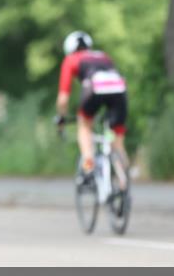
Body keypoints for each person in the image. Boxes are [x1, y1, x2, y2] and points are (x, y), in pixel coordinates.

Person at [55, 31, 129, 189]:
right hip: (119, 89)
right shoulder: (103, 55)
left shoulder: (71, 59)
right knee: (117, 141)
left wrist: (61, 118)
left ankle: (88, 167)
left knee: (84, 125)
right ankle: (124, 183)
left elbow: (63, 98)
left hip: (95, 87)